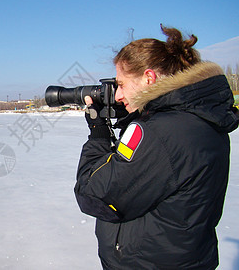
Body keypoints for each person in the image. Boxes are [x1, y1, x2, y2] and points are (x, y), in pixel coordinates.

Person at [74, 25, 239, 269]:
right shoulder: (201, 118)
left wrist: (98, 134)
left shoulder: (159, 132)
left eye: (121, 84)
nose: (118, 95)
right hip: (188, 257)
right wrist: (139, 114)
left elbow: (94, 195)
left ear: (149, 78)